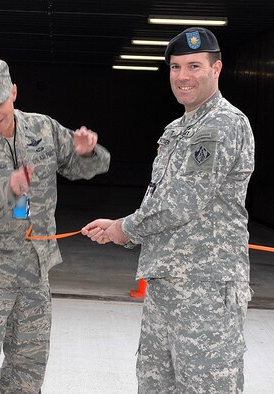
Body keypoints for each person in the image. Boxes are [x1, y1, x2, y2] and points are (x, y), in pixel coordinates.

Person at [82, 27, 255, 392]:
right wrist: (121, 227)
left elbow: (183, 200)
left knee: (206, 385)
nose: (183, 77)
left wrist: (124, 229)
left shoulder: (221, 124)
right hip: (166, 284)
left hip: (206, 287)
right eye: (176, 68)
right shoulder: (177, 129)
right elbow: (160, 198)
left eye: (194, 66)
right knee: (157, 384)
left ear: (217, 69)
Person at [0, 59, 110, 393]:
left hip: (35, 271)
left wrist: (87, 153)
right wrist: (9, 188)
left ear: (14, 93)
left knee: (28, 368)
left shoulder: (42, 128)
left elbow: (82, 167)